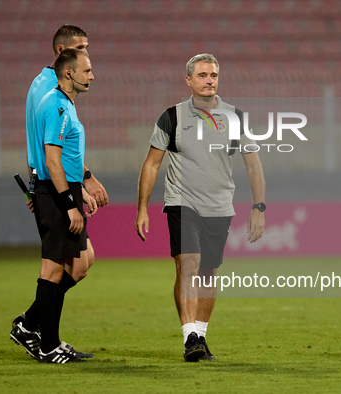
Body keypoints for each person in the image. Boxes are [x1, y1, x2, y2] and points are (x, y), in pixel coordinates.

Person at [135, 54, 266, 362]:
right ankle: (189, 335)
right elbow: (152, 163)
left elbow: (253, 163)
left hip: (220, 207)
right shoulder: (173, 117)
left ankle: (201, 336)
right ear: (189, 80)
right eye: (203, 74)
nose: (210, 79)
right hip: (183, 203)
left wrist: (258, 207)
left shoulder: (235, 117)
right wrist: (143, 207)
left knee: (208, 272)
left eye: (214, 74)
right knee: (188, 265)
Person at [10, 25, 108, 362]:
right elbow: (48, 151)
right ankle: (41, 335)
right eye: (80, 49)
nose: (87, 57)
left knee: (81, 262)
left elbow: (57, 149)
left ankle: (33, 325)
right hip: (53, 188)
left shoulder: (54, 91)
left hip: (55, 185)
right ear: (62, 54)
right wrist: (50, 190)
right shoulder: (51, 93)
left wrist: (82, 182)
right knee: (58, 266)